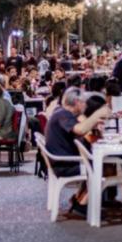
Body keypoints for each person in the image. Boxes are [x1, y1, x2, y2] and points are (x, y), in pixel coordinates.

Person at [44, 87, 110, 216]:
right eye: (83, 102)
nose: (85, 105)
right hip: (64, 165)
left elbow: (84, 132)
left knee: (98, 164)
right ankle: (82, 204)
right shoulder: (63, 114)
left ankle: (78, 198)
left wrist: (93, 124)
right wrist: (98, 113)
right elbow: (80, 130)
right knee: (106, 167)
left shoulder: (62, 113)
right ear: (77, 102)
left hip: (64, 161)